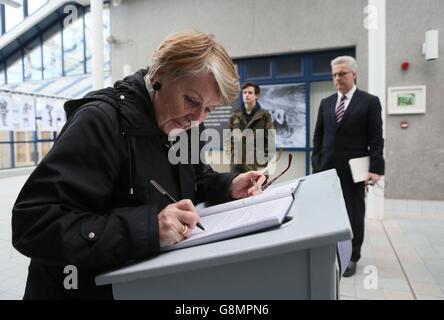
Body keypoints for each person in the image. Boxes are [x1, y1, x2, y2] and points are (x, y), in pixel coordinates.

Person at [11, 31, 266, 299]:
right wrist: (149, 229)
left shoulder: (185, 125)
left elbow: (195, 177)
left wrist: (228, 185)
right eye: (192, 101)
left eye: (209, 110)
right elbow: (35, 223)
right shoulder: (100, 122)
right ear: (160, 75)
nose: (197, 119)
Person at [312, 56, 384, 277]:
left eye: (342, 73)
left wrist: (376, 168)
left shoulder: (369, 102)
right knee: (328, 212)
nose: (337, 78)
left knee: (353, 213)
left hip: (354, 171)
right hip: (327, 170)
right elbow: (318, 136)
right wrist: (316, 164)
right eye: (334, 74)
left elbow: (376, 138)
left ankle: (352, 256)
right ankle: (330, 249)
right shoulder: (326, 103)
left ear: (354, 74)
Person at [229, 82, 274, 173]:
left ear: (256, 95)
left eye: (250, 93)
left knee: (255, 186)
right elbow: (229, 138)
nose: (246, 95)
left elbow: (270, 139)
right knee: (236, 186)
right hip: (237, 164)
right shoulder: (235, 115)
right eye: (244, 92)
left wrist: (265, 159)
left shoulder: (264, 115)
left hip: (255, 163)